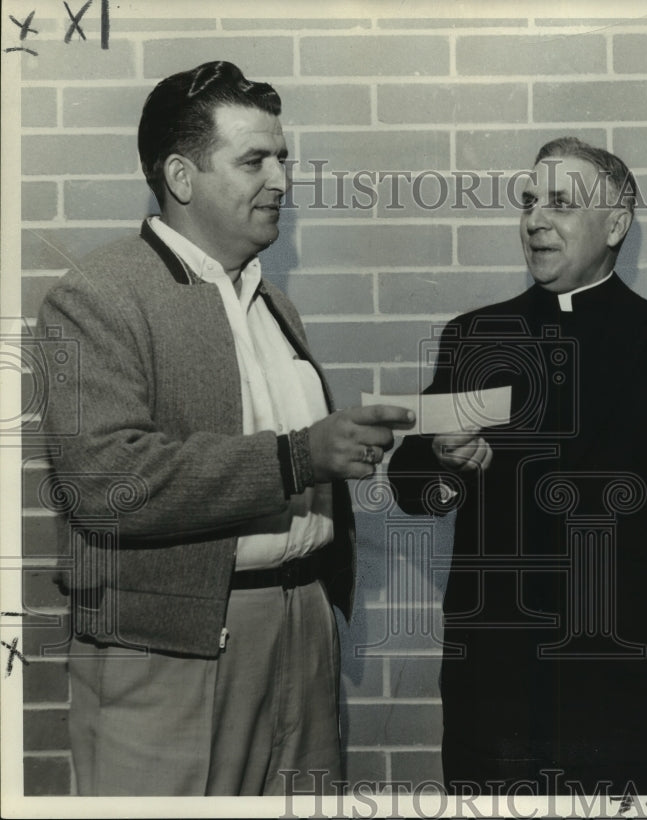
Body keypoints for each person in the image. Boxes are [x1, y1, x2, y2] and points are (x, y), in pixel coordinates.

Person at [36, 60, 413, 796]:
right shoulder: (96, 298)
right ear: (181, 176)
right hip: (170, 651)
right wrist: (302, 456)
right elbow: (105, 482)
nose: (280, 181)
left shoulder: (273, 304)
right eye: (253, 161)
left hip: (300, 628)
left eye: (283, 159)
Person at [388, 137, 647, 795]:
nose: (533, 221)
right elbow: (412, 485)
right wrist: (442, 465)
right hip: (498, 689)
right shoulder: (476, 338)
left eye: (559, 203)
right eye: (528, 203)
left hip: (635, 692)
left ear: (616, 224)